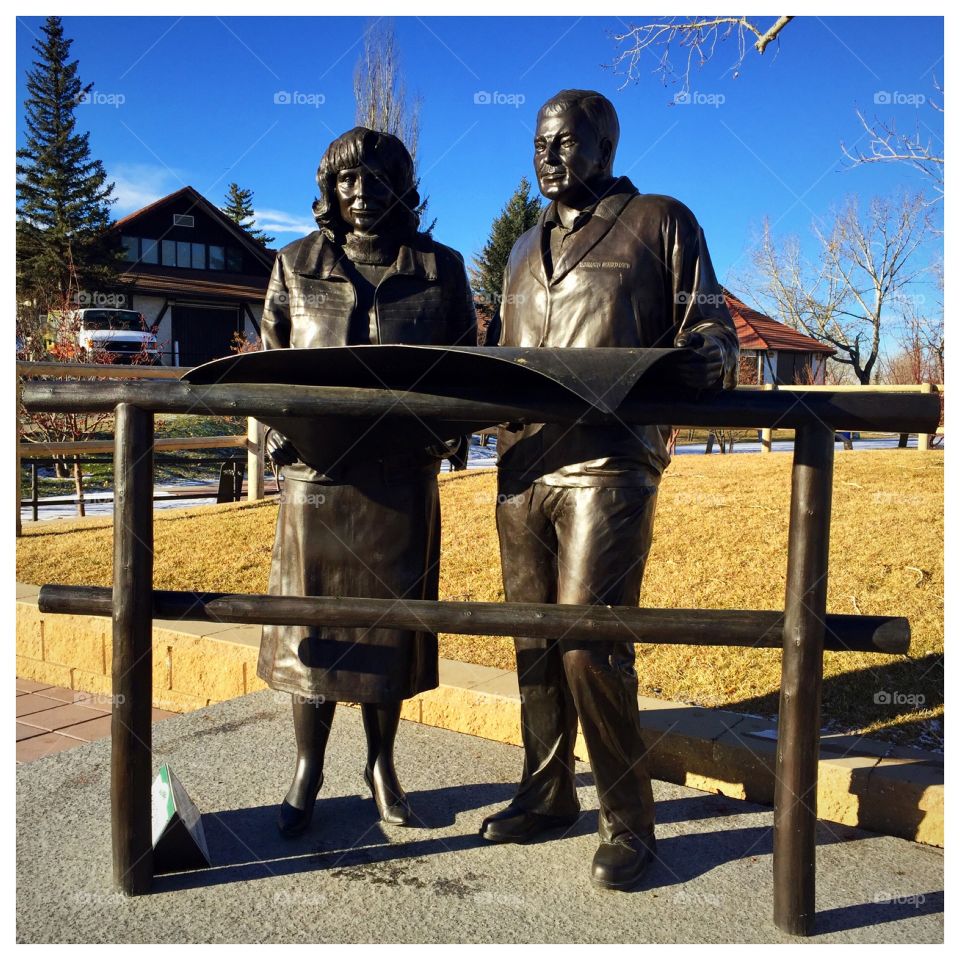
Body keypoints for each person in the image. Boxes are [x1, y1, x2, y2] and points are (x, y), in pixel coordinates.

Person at [480, 90, 739, 889]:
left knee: (591, 643)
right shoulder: (523, 249)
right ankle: (547, 789)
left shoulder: (661, 220)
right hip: (522, 466)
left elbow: (714, 332)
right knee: (534, 639)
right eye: (538, 144)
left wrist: (706, 360)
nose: (548, 157)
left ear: (603, 146)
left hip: (610, 463)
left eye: (564, 143)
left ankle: (628, 818)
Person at [258, 127, 477, 836]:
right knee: (309, 630)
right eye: (347, 182)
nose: (361, 195)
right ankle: (306, 768)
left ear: (402, 189)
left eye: (377, 182)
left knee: (390, 629)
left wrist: (448, 432)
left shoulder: (441, 269)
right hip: (315, 483)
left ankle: (382, 763)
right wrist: (278, 433)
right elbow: (265, 372)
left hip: (398, 481)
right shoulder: (294, 265)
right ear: (328, 190)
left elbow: (467, 370)